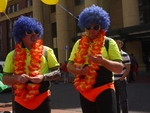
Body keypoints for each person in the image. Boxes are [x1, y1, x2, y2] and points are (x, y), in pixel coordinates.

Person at [67, 4, 123, 113]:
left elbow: (119, 68)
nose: (92, 30)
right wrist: (76, 70)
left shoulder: (109, 42)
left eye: (96, 27)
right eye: (88, 26)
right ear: (84, 27)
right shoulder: (78, 43)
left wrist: (102, 61)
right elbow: (69, 66)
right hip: (85, 91)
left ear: (101, 27)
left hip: (104, 88)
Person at [2, 16, 61, 113]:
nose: (34, 34)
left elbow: (58, 73)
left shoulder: (46, 51)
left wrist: (43, 77)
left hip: (42, 98)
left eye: (36, 32)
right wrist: (17, 78)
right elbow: (5, 79)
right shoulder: (12, 55)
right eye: (29, 32)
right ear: (21, 35)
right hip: (21, 101)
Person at [114, 40, 131, 113]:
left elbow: (128, 69)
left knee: (123, 100)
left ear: (122, 45)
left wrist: (122, 78)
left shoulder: (124, 55)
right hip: (113, 81)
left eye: (119, 43)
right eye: (116, 43)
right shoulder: (112, 55)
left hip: (121, 81)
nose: (117, 44)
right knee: (115, 100)